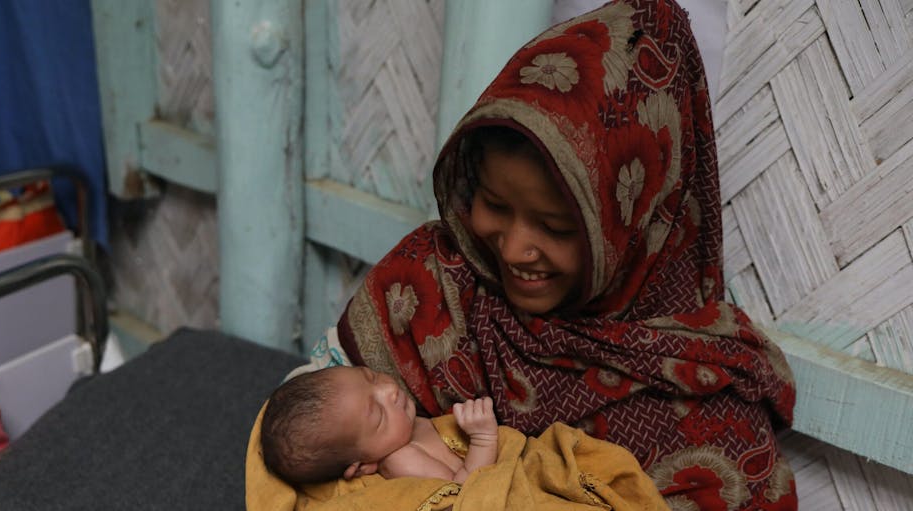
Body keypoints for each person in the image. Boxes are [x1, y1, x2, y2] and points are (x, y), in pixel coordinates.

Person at [331, 0, 798, 509]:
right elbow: (310, 428)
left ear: (631, 227)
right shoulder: (426, 282)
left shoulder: (709, 415)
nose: (512, 249)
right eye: (492, 204)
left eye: (555, 227)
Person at [260, 365, 498, 485]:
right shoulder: (402, 460)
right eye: (379, 414)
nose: (390, 390)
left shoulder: (398, 431)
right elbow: (464, 499)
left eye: (370, 377)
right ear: (363, 466)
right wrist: (483, 440)